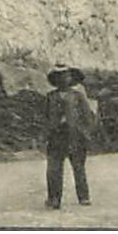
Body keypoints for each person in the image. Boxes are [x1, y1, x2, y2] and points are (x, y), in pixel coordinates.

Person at [44, 64, 95, 209]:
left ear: (71, 78)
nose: (63, 79)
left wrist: (85, 133)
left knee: (78, 167)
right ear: (55, 80)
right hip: (56, 138)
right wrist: (47, 133)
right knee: (54, 169)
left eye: (66, 75)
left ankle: (83, 197)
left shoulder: (77, 96)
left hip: (75, 137)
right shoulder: (50, 97)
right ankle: (54, 199)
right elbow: (45, 117)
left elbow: (88, 116)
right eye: (59, 76)